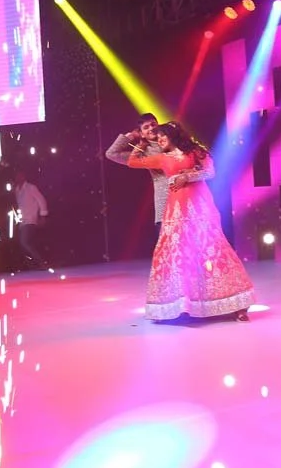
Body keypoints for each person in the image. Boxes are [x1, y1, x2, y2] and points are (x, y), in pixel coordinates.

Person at [127, 122, 254, 322]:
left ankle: (236, 303)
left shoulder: (193, 151)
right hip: (176, 211)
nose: (159, 140)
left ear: (173, 135)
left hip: (201, 207)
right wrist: (141, 143)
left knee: (212, 249)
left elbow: (210, 172)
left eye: (162, 136)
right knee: (178, 254)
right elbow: (132, 162)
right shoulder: (162, 158)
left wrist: (188, 176)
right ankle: (181, 303)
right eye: (157, 138)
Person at [106, 113, 168, 245]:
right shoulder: (142, 154)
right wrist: (130, 136)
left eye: (153, 124)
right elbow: (111, 154)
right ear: (141, 134)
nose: (151, 128)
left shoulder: (173, 142)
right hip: (165, 200)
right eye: (146, 127)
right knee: (168, 246)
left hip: (186, 196)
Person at [12, 170, 49, 269]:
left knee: (24, 242)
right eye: (16, 176)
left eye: (20, 175)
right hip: (22, 221)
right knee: (26, 243)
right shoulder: (17, 190)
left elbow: (41, 200)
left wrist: (43, 216)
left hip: (31, 219)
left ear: (24, 176)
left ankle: (41, 262)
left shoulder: (31, 187)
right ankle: (34, 264)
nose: (18, 177)